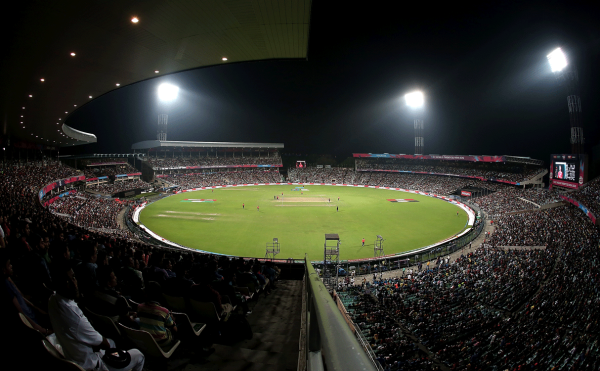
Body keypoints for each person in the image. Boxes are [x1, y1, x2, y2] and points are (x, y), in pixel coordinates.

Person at [48, 262, 145, 371]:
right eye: (66, 281)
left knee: (112, 342)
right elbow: (103, 343)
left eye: (74, 277)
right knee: (139, 355)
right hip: (93, 364)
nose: (74, 284)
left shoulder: (53, 299)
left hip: (74, 352)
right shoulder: (76, 317)